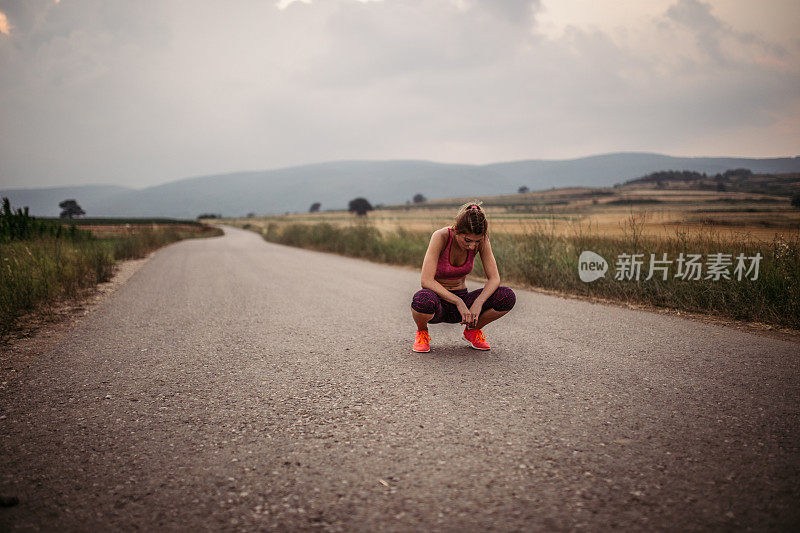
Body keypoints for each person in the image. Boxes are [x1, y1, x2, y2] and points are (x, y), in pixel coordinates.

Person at [410, 201, 516, 352]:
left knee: (507, 296)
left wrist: (478, 303)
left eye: (477, 241)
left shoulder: (482, 240)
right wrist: (458, 301)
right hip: (439, 303)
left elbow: (494, 278)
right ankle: (422, 332)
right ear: (456, 230)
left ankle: (472, 330)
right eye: (467, 240)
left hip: (464, 306)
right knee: (422, 299)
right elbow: (426, 281)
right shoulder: (441, 236)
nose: (472, 246)